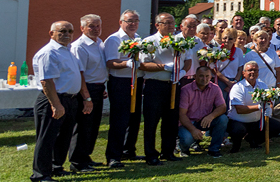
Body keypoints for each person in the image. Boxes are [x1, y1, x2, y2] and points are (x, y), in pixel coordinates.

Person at [30, 21, 91, 182]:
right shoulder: (49, 52)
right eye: (62, 31)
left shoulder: (68, 51)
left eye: (70, 31)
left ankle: (56, 167)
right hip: (54, 99)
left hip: (69, 99)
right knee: (47, 138)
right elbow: (46, 81)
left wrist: (85, 98)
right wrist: (56, 104)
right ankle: (40, 174)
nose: (67, 34)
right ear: (51, 33)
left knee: (63, 136)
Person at [140, 13, 192, 165]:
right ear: (157, 25)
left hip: (174, 84)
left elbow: (187, 59)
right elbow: (143, 64)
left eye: (173, 23)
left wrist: (183, 71)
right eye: (167, 23)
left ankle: (168, 151)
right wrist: (163, 67)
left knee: (171, 119)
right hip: (155, 84)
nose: (171, 26)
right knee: (152, 121)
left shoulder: (180, 40)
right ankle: (150, 154)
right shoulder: (149, 42)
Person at [103, 10, 145, 167]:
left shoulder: (138, 38)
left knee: (134, 118)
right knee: (119, 119)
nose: (133, 24)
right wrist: (126, 63)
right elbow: (110, 62)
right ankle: (113, 155)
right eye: (129, 21)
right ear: (121, 22)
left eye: (136, 21)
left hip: (137, 79)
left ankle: (129, 150)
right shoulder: (114, 39)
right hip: (120, 82)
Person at [69, 13, 107, 172]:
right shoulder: (79, 46)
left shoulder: (99, 43)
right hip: (86, 89)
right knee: (83, 126)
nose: (96, 29)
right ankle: (77, 162)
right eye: (91, 26)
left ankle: (86, 157)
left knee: (93, 126)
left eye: (98, 25)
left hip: (98, 87)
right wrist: (87, 97)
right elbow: (81, 74)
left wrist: (102, 87)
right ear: (82, 28)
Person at [177, 66, 228, 158]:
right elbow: (182, 114)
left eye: (207, 76)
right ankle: (183, 149)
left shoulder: (215, 88)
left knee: (223, 119)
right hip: (188, 122)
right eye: (201, 76)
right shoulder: (186, 90)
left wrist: (211, 116)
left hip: (205, 120)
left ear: (210, 77)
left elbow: (222, 107)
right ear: (195, 76)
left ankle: (214, 149)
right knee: (187, 139)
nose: (204, 79)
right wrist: (193, 130)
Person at [227, 62, 270, 153]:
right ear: (244, 73)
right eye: (250, 70)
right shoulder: (237, 87)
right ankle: (236, 145)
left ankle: (253, 140)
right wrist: (259, 107)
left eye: (255, 70)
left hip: (256, 121)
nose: (253, 72)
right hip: (238, 121)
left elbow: (269, 101)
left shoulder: (263, 85)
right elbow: (240, 109)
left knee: (276, 127)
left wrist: (269, 107)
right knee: (238, 130)